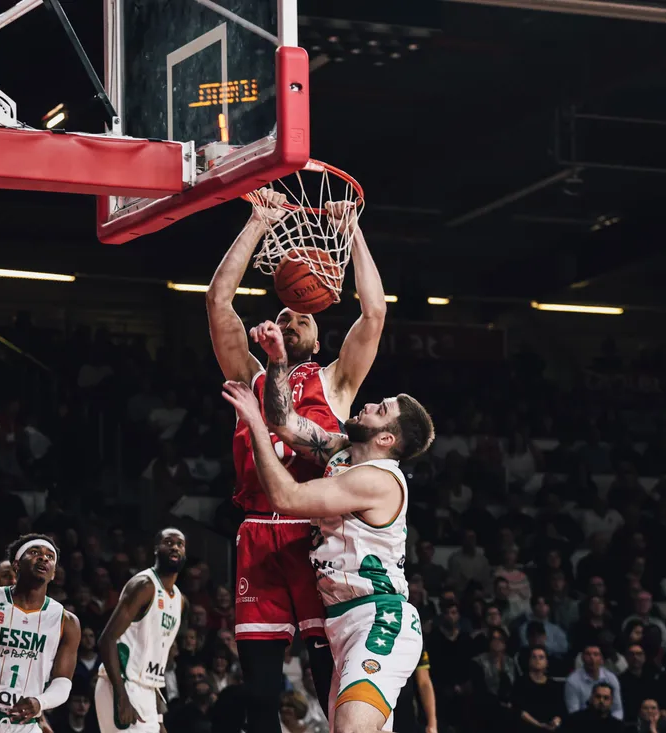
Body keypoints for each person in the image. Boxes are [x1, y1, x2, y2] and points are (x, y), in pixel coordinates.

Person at [206, 188, 386, 732]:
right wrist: (259, 223)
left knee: (326, 675)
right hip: (259, 530)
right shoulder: (251, 376)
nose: (291, 320)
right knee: (259, 694)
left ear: (317, 331)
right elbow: (218, 301)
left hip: (316, 533)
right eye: (282, 316)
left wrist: (350, 229)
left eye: (301, 318)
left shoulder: (337, 381)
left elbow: (374, 312)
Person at [222, 333, 433, 733]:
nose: (368, 404)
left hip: (379, 617)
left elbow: (286, 496)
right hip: (343, 621)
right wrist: (278, 361)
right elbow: (284, 422)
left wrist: (252, 423)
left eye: (380, 409)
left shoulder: (378, 480)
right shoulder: (341, 453)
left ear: (386, 438)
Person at [0, 534, 80, 732]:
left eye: (50, 557)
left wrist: (40, 702)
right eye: (35, 553)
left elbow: (62, 682)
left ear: (53, 574)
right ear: (16, 565)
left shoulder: (66, 621)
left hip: (24, 725)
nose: (44, 558)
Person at [95, 528, 186, 733]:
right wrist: (121, 695)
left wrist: (159, 717)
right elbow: (107, 639)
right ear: (156, 549)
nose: (174, 547)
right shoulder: (144, 585)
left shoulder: (179, 600)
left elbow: (157, 659)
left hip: (148, 690)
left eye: (180, 544)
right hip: (121, 683)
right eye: (168, 542)